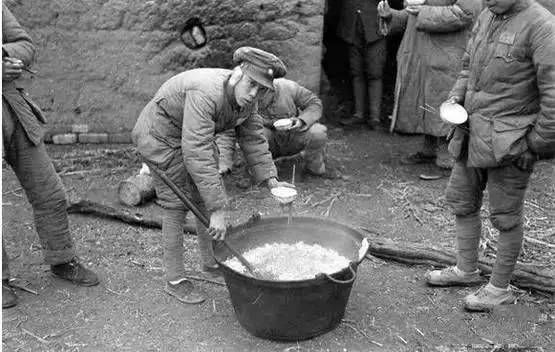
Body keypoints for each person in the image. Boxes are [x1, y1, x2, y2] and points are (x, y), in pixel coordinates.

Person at [132, 47, 294, 304]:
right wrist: (218, 208)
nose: (254, 94)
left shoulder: (247, 103)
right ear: (238, 74)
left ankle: (210, 262)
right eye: (251, 84)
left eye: (262, 89)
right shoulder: (206, 93)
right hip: (160, 137)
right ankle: (174, 280)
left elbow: (253, 139)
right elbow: (196, 150)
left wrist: (270, 179)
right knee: (177, 206)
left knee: (202, 199)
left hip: (192, 139)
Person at [425, 0, 555, 311]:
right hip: (472, 131)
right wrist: (457, 94)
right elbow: (469, 65)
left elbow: (553, 96)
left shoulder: (541, 25)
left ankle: (499, 288)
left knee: (505, 216)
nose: (486, 0)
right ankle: (466, 269)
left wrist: (535, 145)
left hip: (511, 143)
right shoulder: (487, 15)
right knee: (461, 200)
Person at [2, 4, 99, 309]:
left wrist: (5, 53)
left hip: (12, 107)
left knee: (50, 192)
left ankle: (62, 259)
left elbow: (25, 44)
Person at [378, 0, 482, 170]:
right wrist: (392, 15)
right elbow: (414, 14)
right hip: (423, 55)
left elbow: (464, 14)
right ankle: (429, 149)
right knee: (428, 103)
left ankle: (448, 155)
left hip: (449, 53)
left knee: (444, 102)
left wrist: (424, 11)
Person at [216, 78, 330, 178]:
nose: (258, 94)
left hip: (293, 135)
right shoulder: (244, 98)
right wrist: (224, 162)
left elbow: (314, 103)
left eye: (265, 89)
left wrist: (301, 121)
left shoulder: (288, 87)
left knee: (318, 132)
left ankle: (314, 171)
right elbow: (228, 131)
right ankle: (262, 175)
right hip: (263, 142)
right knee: (254, 134)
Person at [336, 0, 387, 129]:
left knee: (375, 73)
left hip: (375, 28)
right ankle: (358, 115)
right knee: (356, 72)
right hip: (352, 26)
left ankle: (375, 118)